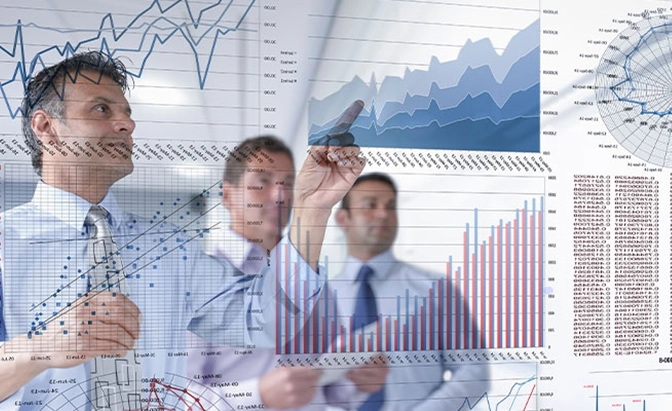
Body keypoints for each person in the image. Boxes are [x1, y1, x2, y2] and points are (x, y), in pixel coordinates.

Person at [0, 51, 364, 409]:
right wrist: (38, 348)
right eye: (101, 109)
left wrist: (312, 209)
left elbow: (263, 320)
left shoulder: (169, 247)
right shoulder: (5, 244)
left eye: (127, 113)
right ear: (46, 128)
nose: (127, 124)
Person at [186, 136, 388, 410]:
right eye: (262, 182)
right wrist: (257, 396)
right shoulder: (195, 282)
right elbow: (175, 397)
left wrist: (356, 382)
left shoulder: (314, 278)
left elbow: (327, 393)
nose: (280, 196)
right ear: (228, 195)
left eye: (288, 184)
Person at [330, 173, 488, 411]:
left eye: (390, 207)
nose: (383, 214)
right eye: (370, 205)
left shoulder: (434, 289)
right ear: (344, 218)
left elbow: (474, 371)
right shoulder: (318, 297)